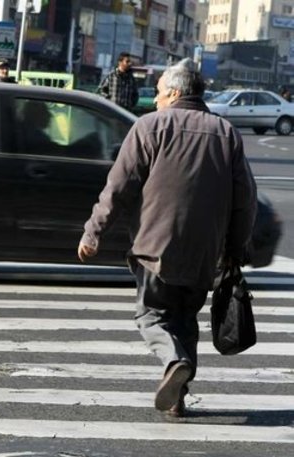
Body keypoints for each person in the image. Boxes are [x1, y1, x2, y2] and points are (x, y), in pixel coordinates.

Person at [77, 58, 257, 418]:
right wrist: (235, 251)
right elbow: (245, 199)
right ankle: (178, 398)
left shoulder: (150, 127)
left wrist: (93, 232)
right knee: (185, 319)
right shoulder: (226, 133)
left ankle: (174, 361)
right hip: (205, 253)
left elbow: (118, 187)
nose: (156, 100)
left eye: (159, 93)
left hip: (155, 248)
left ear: (174, 93)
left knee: (152, 317)